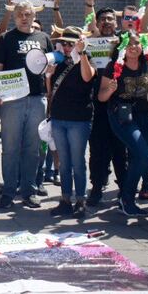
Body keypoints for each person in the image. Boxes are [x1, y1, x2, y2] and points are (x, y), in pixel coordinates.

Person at [0, 1, 53, 209]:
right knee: (10, 148)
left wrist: (49, 96)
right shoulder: (5, 39)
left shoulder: (43, 38)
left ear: (34, 16)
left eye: (27, 14)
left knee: (33, 149)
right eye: (19, 15)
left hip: (37, 99)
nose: (24, 18)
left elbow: (50, 69)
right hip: (12, 101)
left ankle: (29, 192)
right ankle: (8, 192)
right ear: (14, 17)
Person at [100, 33, 148, 217]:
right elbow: (101, 97)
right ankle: (127, 199)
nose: (133, 47)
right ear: (122, 48)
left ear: (142, 46)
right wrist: (109, 89)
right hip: (122, 115)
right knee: (142, 153)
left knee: (145, 156)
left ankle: (125, 198)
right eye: (129, 44)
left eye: (137, 43)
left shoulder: (147, 65)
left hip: (144, 114)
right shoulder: (113, 66)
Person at [46, 26, 96, 217]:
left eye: (70, 44)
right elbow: (50, 93)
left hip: (79, 119)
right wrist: (48, 75)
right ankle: (65, 199)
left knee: (78, 161)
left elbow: (87, 77)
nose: (67, 47)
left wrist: (82, 52)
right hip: (59, 117)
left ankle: (81, 201)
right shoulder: (58, 61)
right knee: (64, 163)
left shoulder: (86, 59)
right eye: (64, 43)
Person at [83, 7, 126, 206]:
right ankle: (97, 186)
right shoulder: (90, 43)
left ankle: (124, 188)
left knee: (120, 148)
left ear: (116, 23)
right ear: (97, 23)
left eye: (110, 19)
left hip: (119, 102)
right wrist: (89, 3)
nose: (107, 22)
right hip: (96, 103)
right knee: (97, 148)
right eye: (103, 19)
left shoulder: (124, 43)